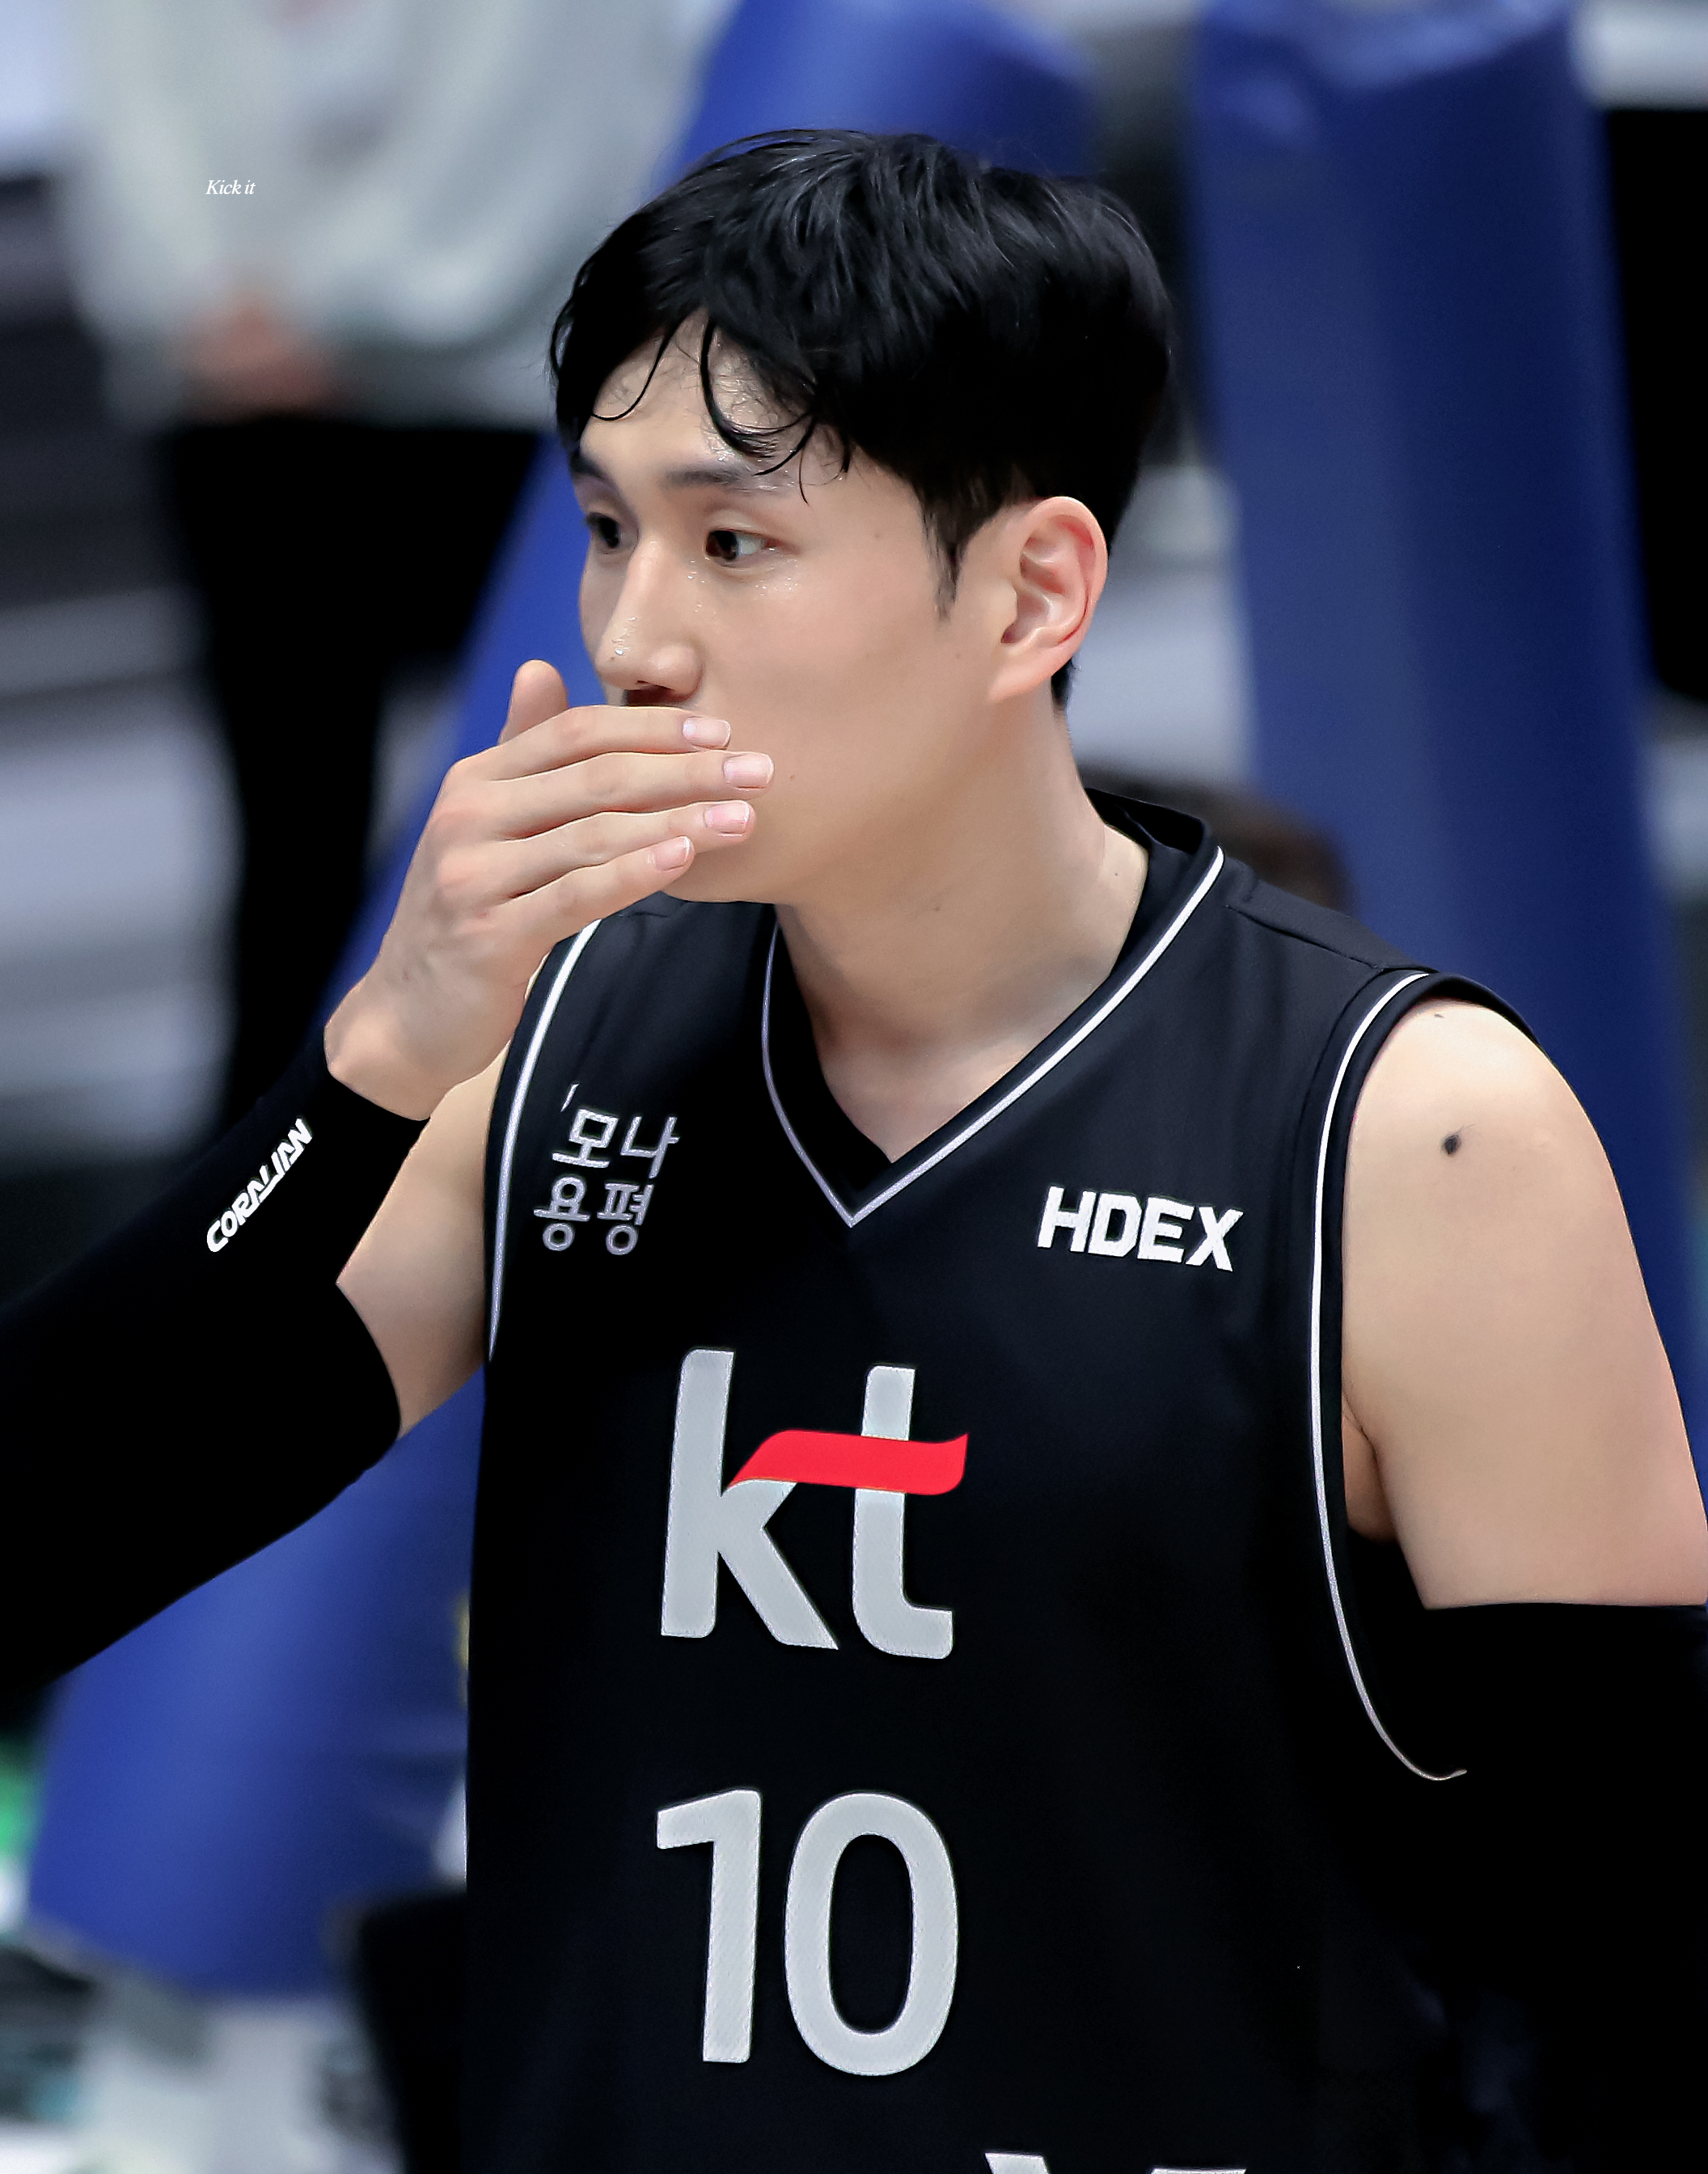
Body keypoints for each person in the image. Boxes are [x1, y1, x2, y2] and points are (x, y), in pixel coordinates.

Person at [5, 133, 1706, 2169]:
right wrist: (363, 1075)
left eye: (735, 542)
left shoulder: (1417, 1131)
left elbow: (1633, 1986)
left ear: (1033, 591)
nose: (638, 635)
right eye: (607, 530)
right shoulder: (538, 1052)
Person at [57, 0, 704, 1118]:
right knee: (298, 836)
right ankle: (284, 1150)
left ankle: (544, 1117)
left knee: (549, 791)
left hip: (486, 395)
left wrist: (316, 306)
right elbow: (154, 119)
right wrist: (213, 291)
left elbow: (534, 107)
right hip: (251, 414)